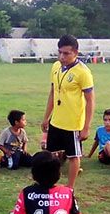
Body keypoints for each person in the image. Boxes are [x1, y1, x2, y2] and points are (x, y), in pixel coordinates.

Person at [41, 34, 95, 189]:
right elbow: (53, 92)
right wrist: (46, 118)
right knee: (50, 155)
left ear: (76, 53)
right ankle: (49, 184)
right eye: (60, 52)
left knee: (73, 156)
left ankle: (70, 189)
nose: (62, 56)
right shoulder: (56, 67)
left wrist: (86, 127)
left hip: (72, 123)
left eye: (66, 53)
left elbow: (90, 101)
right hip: (56, 120)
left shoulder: (83, 72)